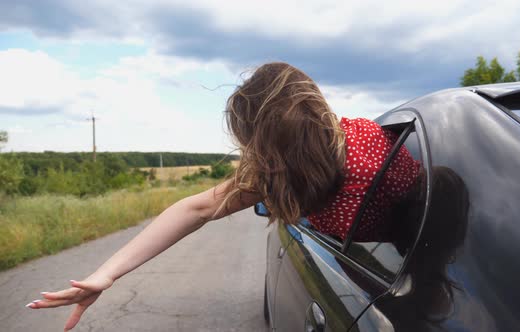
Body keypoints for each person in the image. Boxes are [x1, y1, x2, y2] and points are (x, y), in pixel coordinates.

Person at [26, 62, 419, 331]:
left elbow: (434, 206)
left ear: (277, 144)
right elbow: (198, 207)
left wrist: (107, 274)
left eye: (260, 148)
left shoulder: (371, 151)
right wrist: (106, 273)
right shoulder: (288, 169)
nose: (260, 161)